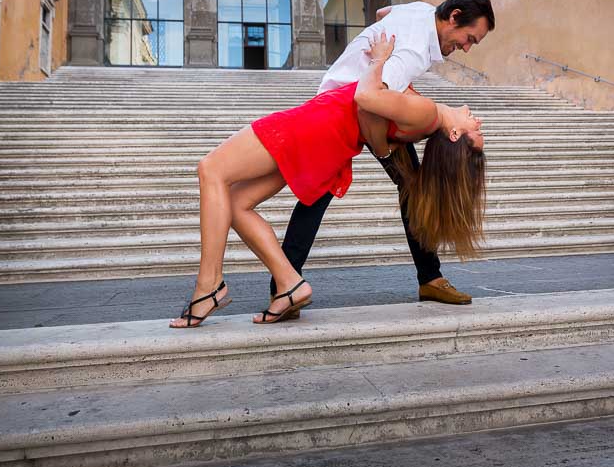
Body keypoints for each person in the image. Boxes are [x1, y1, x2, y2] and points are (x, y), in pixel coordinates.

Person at [169, 31, 486, 328]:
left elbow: (366, 103)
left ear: (455, 134)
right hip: (326, 137)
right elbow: (378, 130)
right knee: (237, 203)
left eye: (475, 130)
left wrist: (379, 59)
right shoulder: (425, 120)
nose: (478, 120)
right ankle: (288, 282)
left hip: (316, 126)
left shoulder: (428, 114)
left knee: (210, 169)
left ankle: (208, 285)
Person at [274, 0, 495, 309]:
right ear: (454, 16)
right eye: (468, 37)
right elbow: (369, 106)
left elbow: (382, 12)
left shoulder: (422, 11)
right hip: (342, 110)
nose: (466, 47)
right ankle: (284, 284)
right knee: (317, 196)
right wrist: (385, 152)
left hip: (356, 98)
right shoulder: (413, 51)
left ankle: (430, 279)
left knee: (412, 188)